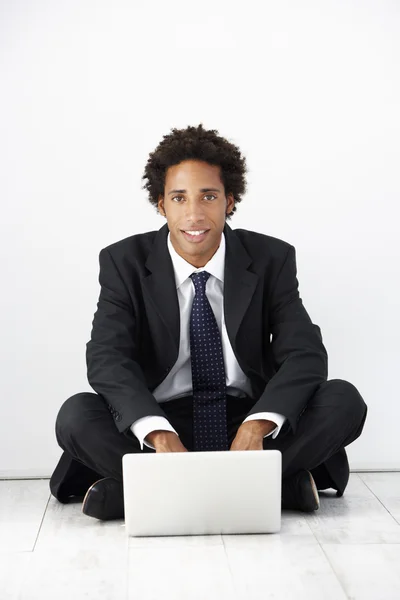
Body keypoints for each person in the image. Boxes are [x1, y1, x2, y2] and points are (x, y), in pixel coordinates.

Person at [49, 123, 367, 521]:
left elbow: (303, 353)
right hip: (165, 419)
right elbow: (107, 357)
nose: (194, 214)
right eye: (179, 198)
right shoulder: (123, 262)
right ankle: (272, 488)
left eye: (209, 196)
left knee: (343, 399)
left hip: (246, 421)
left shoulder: (271, 258)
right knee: (77, 414)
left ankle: (146, 494)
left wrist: (259, 425)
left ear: (229, 201)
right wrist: (157, 431)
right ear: (161, 205)